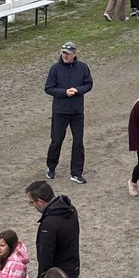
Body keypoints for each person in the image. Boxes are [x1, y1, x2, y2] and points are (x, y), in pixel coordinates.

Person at [45, 41, 93, 186]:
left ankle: (76, 172)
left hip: (77, 111)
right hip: (60, 111)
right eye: (63, 53)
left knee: (78, 142)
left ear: (74, 54)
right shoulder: (55, 69)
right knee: (57, 140)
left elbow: (89, 84)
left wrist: (78, 90)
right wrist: (64, 92)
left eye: (68, 53)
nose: (65, 55)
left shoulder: (83, 68)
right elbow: (49, 88)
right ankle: (51, 166)